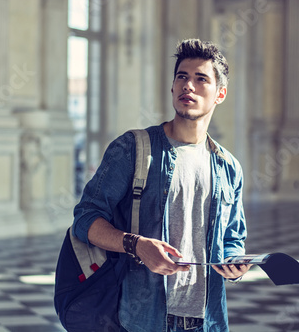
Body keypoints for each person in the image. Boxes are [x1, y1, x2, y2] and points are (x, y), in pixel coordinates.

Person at [72, 39, 250, 332]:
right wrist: (137, 245)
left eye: (200, 78)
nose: (188, 85)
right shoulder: (133, 148)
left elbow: (233, 237)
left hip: (209, 321)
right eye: (182, 76)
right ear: (172, 87)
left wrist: (234, 266)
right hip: (143, 319)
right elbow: (85, 219)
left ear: (220, 93)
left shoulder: (228, 166)